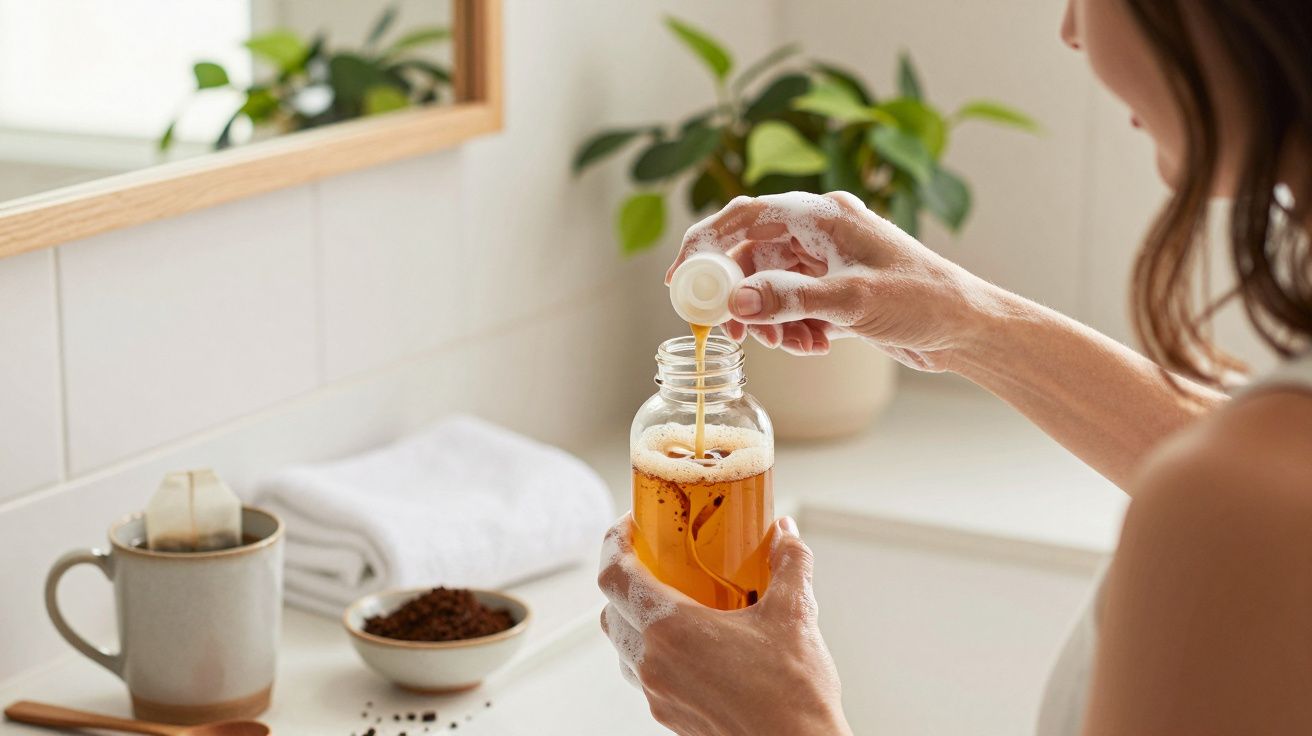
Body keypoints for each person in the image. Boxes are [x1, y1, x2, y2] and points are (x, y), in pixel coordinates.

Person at [597, 0, 1312, 733]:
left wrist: (785, 721)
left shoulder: (1236, 509)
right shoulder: (1255, 480)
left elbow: (1252, 501)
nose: (1070, 28)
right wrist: (965, 321)